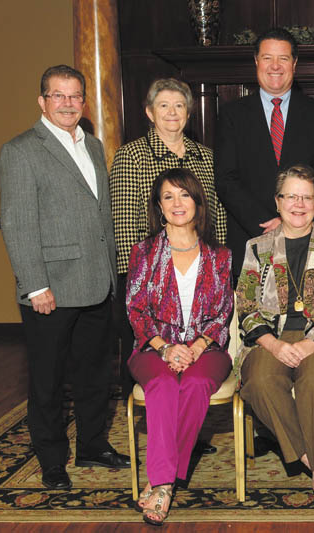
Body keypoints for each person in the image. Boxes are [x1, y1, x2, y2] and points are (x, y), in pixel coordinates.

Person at [0, 64, 130, 491]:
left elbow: (98, 215)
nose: (68, 103)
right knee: (48, 381)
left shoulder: (92, 146)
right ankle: (53, 460)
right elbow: (18, 224)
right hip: (50, 289)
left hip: (96, 282)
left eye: (75, 96)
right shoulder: (20, 150)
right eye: (58, 95)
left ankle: (93, 444)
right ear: (42, 101)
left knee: (95, 375)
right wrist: (35, 285)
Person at [236, 165, 314, 514]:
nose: (299, 204)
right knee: (259, 382)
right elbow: (245, 305)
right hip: (269, 337)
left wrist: (309, 344)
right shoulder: (257, 247)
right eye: (291, 196)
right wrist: (273, 344)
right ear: (278, 202)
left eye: (307, 197)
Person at [126, 168, 233, 525]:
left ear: (197, 202)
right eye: (168, 196)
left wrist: (199, 346)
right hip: (153, 348)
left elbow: (223, 312)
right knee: (162, 384)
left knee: (197, 383)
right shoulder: (143, 252)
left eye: (184, 194)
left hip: (207, 348)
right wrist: (165, 348)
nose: (177, 203)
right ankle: (165, 481)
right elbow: (136, 309)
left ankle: (162, 482)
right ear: (158, 206)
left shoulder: (219, 256)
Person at [111, 77, 227, 402]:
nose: (172, 112)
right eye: (164, 105)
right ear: (149, 112)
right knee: (156, 366)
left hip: (198, 275)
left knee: (197, 363)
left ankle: (192, 428)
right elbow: (123, 225)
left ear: (189, 113)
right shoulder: (131, 156)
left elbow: (216, 216)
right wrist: (133, 280)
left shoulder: (205, 157)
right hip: (149, 283)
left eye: (179, 106)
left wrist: (220, 269)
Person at [216, 28, 314, 279]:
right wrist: (269, 225)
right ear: (256, 61)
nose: (275, 66)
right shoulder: (232, 115)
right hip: (253, 239)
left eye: (283, 58)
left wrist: (297, 221)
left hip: (311, 242)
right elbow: (226, 179)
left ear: (294, 64)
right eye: (267, 58)